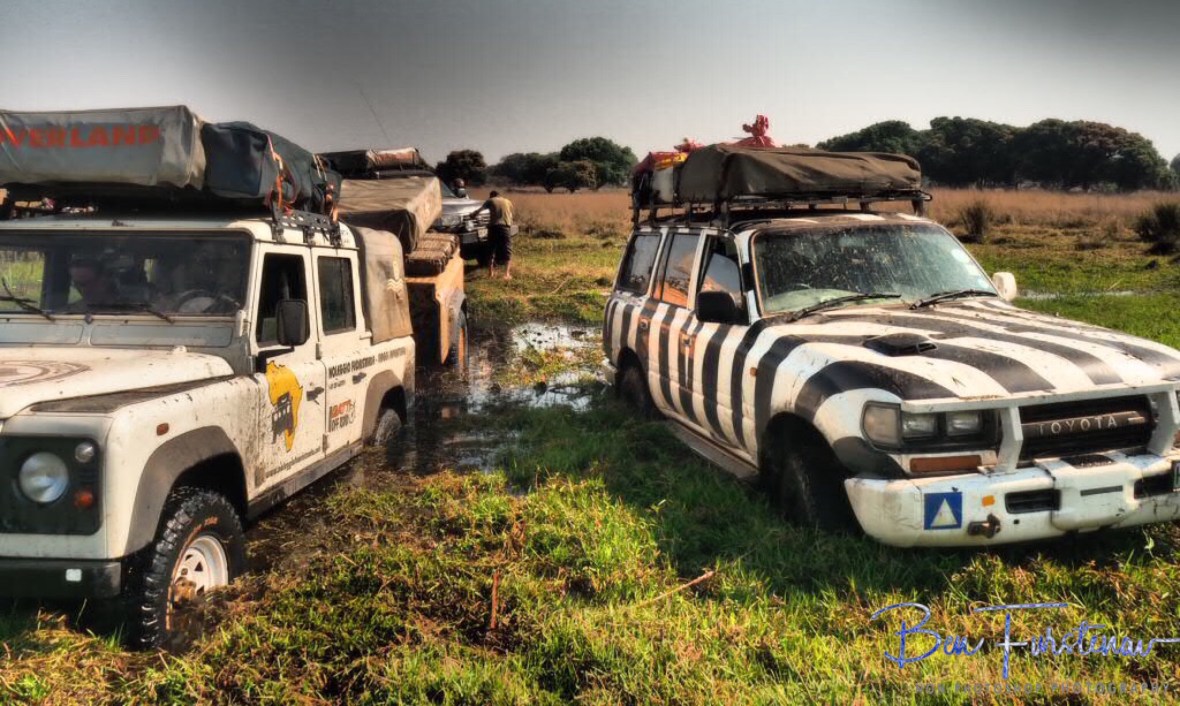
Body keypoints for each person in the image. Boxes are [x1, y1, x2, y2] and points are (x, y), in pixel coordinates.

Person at [474, 190, 515, 279]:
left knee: (491, 249)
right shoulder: (508, 201)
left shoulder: (490, 200)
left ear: (491, 196)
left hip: (494, 227)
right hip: (505, 227)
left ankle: (490, 273)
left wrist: (472, 215)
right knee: (507, 249)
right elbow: (511, 215)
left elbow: (479, 211)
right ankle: (507, 274)